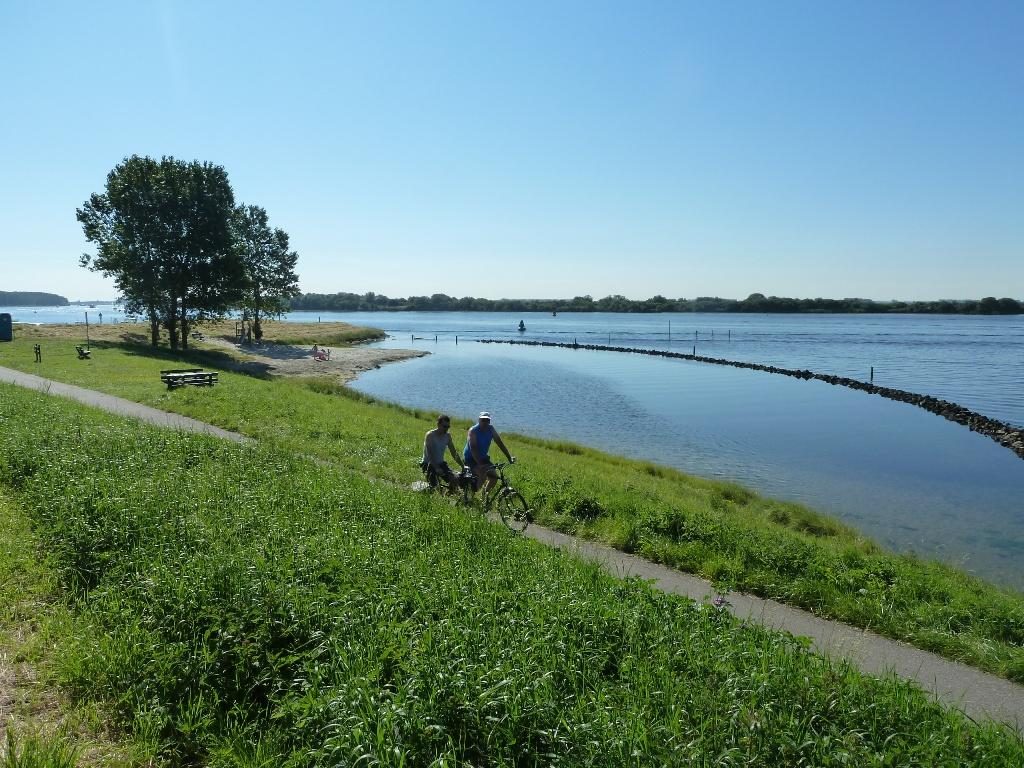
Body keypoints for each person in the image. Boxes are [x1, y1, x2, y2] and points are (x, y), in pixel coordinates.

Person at [463, 411, 514, 498]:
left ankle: (483, 497)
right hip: (471, 458)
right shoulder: (473, 431)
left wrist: (509, 457)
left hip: (483, 458)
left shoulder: (491, 429)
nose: (485, 422)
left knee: (494, 477)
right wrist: (480, 464)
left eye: (487, 420)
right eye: (483, 420)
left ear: (489, 421)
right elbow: (473, 448)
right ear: (479, 420)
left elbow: (500, 443)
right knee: (482, 475)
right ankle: (471, 497)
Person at [421, 414, 465, 494]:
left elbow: (454, 452)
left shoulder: (447, 436)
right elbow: (430, 454)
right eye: (444, 426)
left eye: (448, 427)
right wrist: (437, 468)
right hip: (428, 464)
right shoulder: (430, 435)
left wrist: (462, 465)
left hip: (441, 463)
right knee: (434, 488)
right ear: (438, 424)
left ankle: (449, 496)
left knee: (455, 479)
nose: (446, 429)